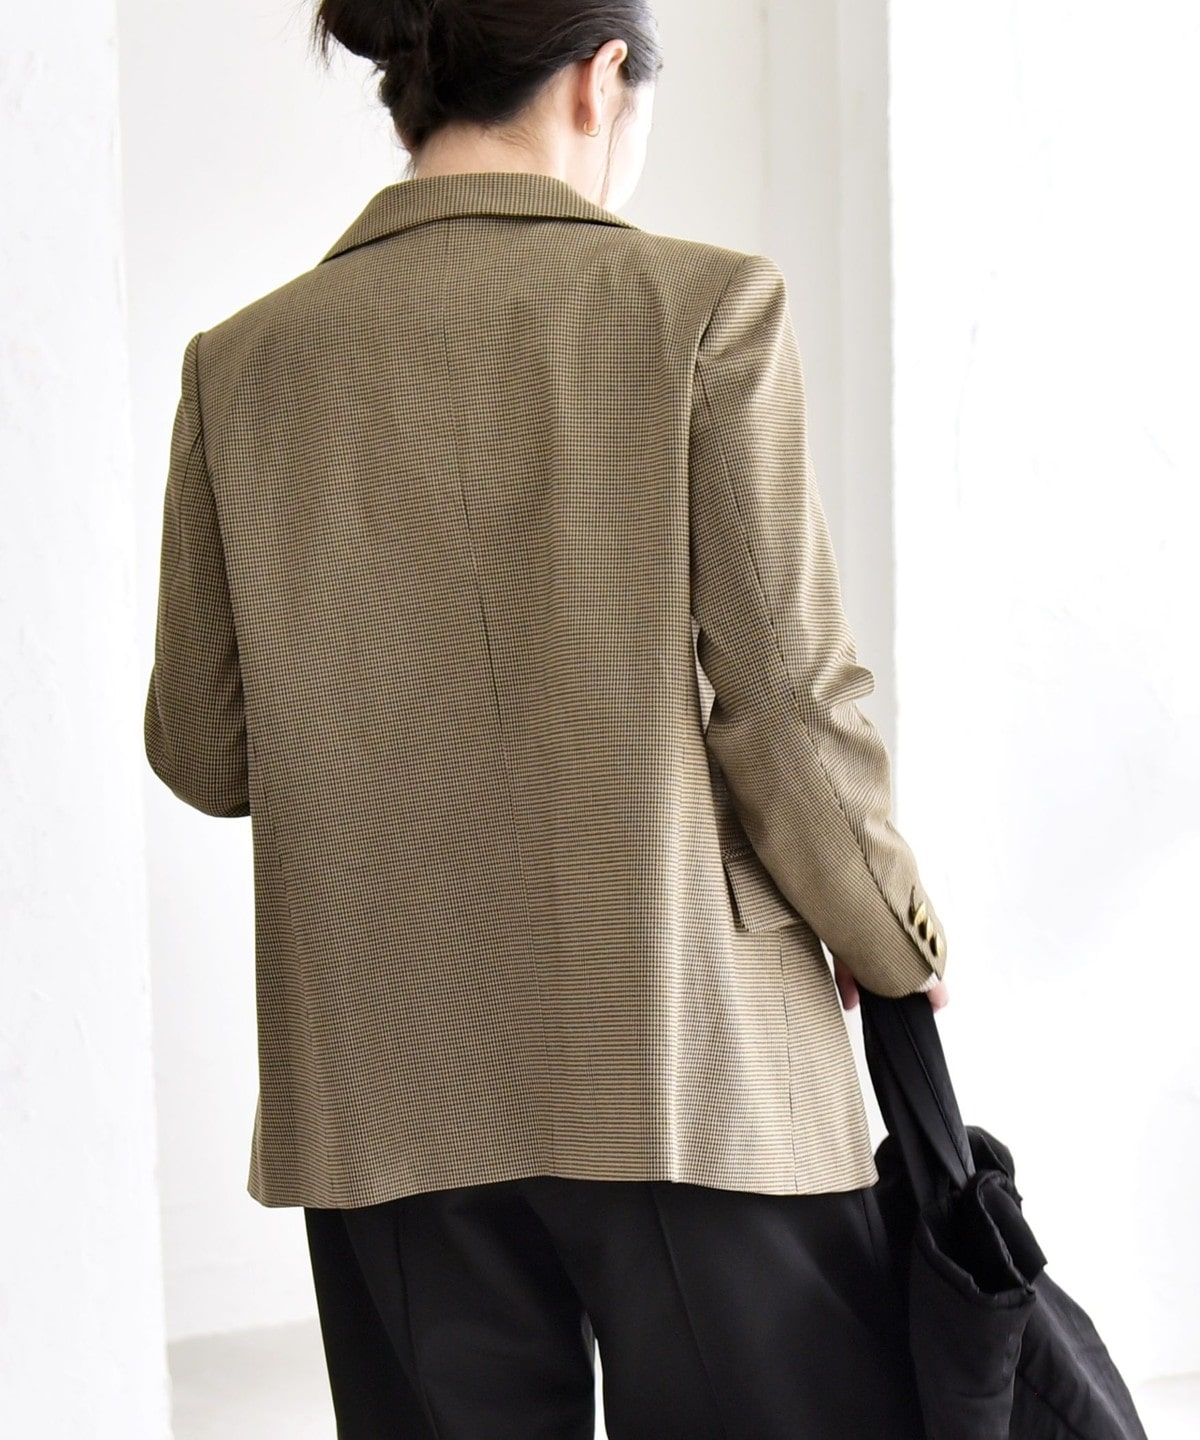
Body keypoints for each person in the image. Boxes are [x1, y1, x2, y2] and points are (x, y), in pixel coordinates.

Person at [144, 1, 951, 1435]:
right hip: (688, 1070)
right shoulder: (699, 308)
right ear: (601, 79)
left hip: (383, 1086)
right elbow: (786, 712)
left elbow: (203, 752)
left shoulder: (241, 362)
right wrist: (894, 940)